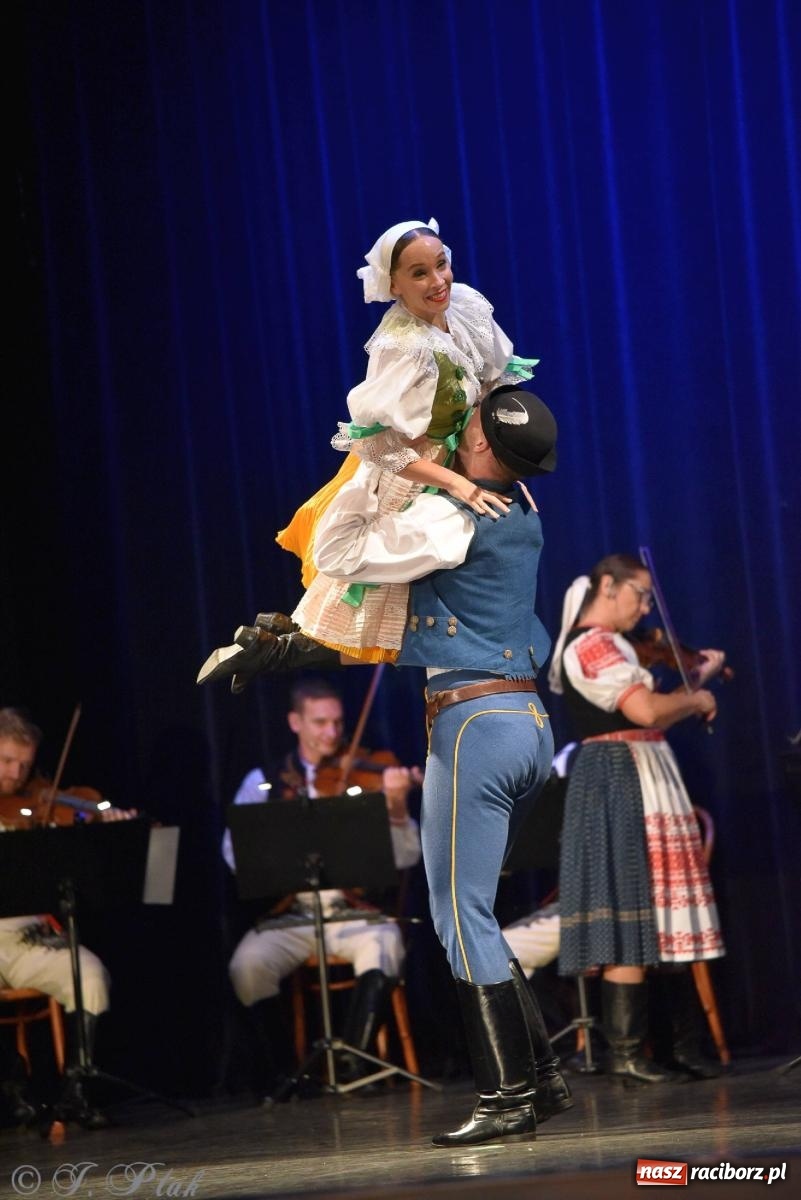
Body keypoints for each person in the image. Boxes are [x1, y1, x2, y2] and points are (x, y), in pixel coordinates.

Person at [308, 389, 572, 1147]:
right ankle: (542, 1081)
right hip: (522, 721)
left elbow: (335, 551)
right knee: (477, 916)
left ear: (483, 448)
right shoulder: (517, 499)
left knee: (459, 920)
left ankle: (507, 1097)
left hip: (473, 723)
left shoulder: (448, 517)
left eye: (468, 428)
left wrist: (376, 461)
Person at [197, 217, 533, 687]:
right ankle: (271, 650)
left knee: (376, 624)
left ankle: (272, 644)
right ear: (393, 284)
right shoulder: (402, 346)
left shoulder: (467, 306)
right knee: (373, 623)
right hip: (406, 472)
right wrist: (458, 481)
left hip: (460, 458)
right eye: (419, 273)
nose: (438, 281)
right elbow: (376, 443)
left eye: (441, 265)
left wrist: (505, 459)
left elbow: (497, 379)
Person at [548, 556, 726, 1083]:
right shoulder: (591, 643)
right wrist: (694, 697)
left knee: (660, 914)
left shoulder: (618, 644)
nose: (647, 608)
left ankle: (676, 1048)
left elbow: (652, 706)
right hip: (618, 777)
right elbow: (646, 711)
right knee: (632, 905)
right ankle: (626, 1052)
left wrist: (693, 681)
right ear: (608, 585)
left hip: (643, 771)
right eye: (640, 595)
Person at [223, 678, 422, 1093]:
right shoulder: (263, 781)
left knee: (384, 944)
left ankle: (353, 1061)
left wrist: (398, 805)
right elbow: (233, 851)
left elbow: (407, 857)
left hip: (355, 913)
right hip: (291, 916)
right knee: (247, 966)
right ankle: (286, 1073)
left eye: (337, 722)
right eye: (320, 723)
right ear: (295, 722)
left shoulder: (372, 770)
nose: (332, 733)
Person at [0, 707, 134, 1129]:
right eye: (6, 761)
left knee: (89, 975)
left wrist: (107, 825)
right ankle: (12, 1087)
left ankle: (76, 1090)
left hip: (31, 940)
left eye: (24, 764)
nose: (16, 775)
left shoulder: (36, 806)